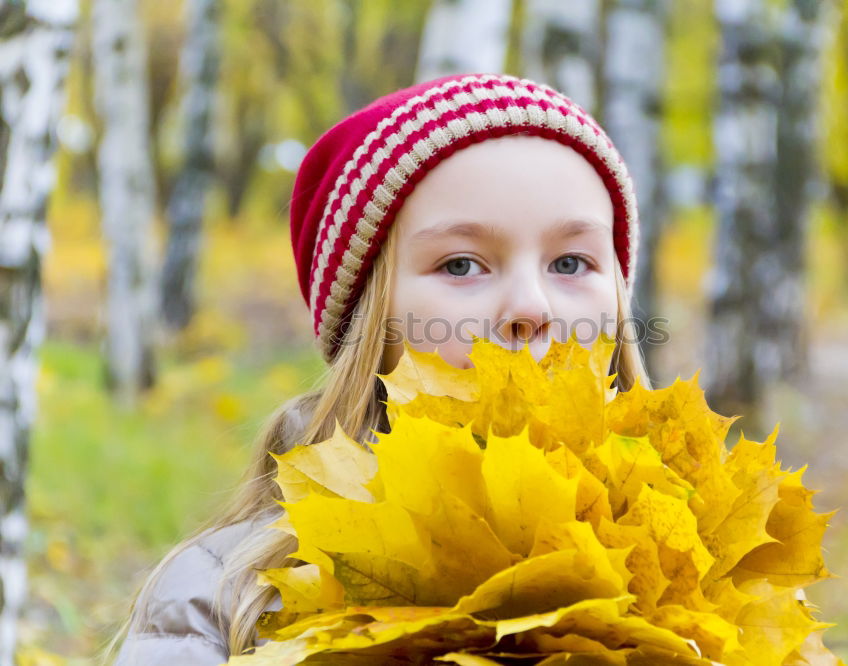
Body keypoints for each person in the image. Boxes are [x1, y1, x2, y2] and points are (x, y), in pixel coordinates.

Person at [102, 71, 651, 665]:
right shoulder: (225, 596)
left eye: (570, 261)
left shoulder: (696, 560)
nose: (531, 307)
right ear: (369, 319)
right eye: (463, 265)